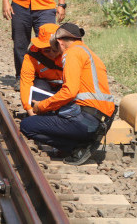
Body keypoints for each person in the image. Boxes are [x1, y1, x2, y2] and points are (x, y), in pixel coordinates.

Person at [20, 23, 115, 166]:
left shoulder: (71, 53)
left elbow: (69, 91)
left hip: (86, 120)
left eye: (54, 48)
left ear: (60, 42)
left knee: (27, 125)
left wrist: (42, 106)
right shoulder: (87, 52)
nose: (54, 53)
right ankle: (82, 140)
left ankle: (77, 147)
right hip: (101, 119)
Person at [19, 23, 63, 114]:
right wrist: (29, 109)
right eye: (46, 50)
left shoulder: (71, 53)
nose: (52, 54)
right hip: (44, 85)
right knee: (37, 88)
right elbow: (26, 83)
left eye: (55, 49)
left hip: (65, 87)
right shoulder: (32, 56)